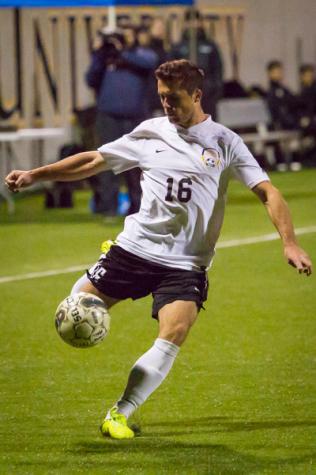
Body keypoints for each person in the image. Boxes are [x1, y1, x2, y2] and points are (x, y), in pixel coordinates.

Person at [5, 60, 312, 440]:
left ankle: (120, 413)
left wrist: (289, 241)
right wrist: (37, 175)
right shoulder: (150, 132)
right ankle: (107, 260)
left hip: (185, 264)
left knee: (174, 332)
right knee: (72, 308)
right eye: (162, 97)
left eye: (174, 98)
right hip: (134, 250)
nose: (166, 105)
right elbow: (93, 161)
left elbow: (268, 191)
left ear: (197, 95)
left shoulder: (225, 142)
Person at [86, 25, 159, 215]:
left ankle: (139, 207)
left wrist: (122, 52)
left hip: (135, 118)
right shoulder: (105, 58)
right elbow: (91, 79)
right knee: (107, 161)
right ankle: (109, 207)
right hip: (108, 117)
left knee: (135, 165)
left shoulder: (142, 54)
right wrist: (98, 54)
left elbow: (149, 63)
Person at [170, 9, 223, 119]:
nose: (193, 24)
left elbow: (218, 69)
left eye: (196, 21)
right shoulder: (178, 47)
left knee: (208, 128)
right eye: (190, 21)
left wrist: (215, 90)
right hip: (185, 95)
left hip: (207, 95)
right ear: (185, 24)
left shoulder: (210, 46)